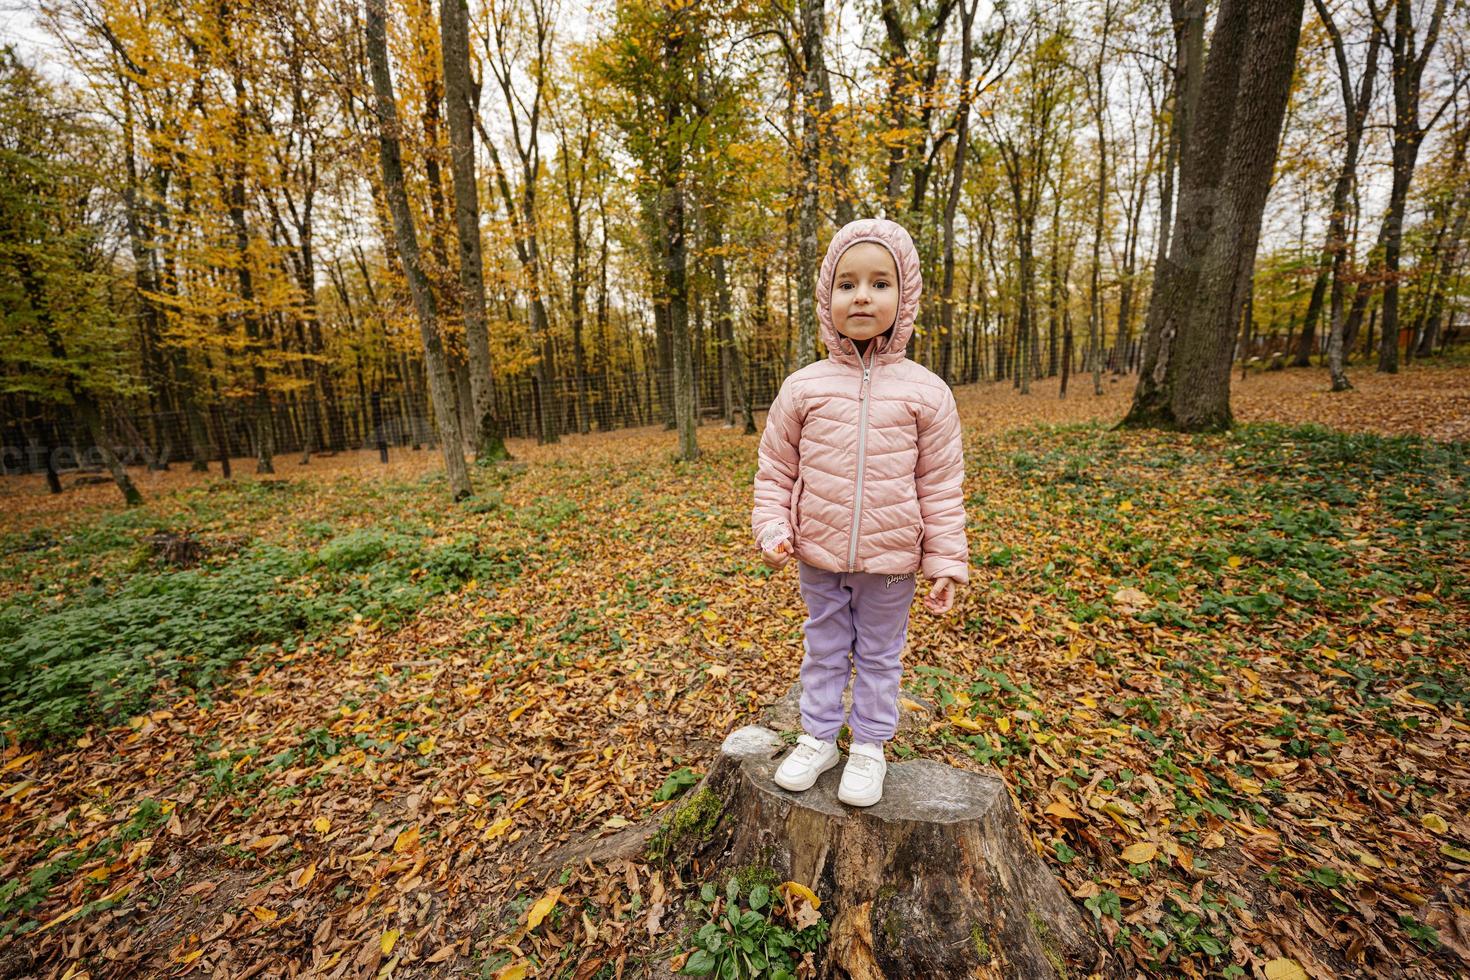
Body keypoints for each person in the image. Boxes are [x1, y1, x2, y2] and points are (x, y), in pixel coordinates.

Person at [751, 217, 969, 807]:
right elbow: (775, 471)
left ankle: (869, 747)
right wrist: (773, 527)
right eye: (847, 284)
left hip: (893, 561)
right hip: (818, 555)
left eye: (879, 283)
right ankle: (818, 736)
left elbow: (942, 484)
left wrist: (945, 561)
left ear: (906, 297)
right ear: (828, 299)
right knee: (823, 648)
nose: (863, 296)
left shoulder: (928, 393)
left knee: (879, 654)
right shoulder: (804, 388)